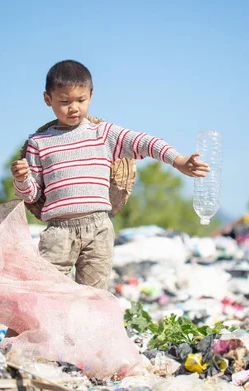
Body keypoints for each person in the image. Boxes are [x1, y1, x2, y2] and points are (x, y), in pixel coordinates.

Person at [11, 59, 209, 290]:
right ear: (48, 100)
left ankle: (89, 328)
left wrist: (179, 160)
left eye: (81, 100)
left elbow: (145, 142)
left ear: (91, 96)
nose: (73, 107)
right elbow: (31, 195)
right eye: (64, 101)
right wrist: (21, 179)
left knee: (95, 297)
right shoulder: (39, 143)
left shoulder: (103, 134)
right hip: (58, 231)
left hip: (98, 228)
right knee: (50, 293)